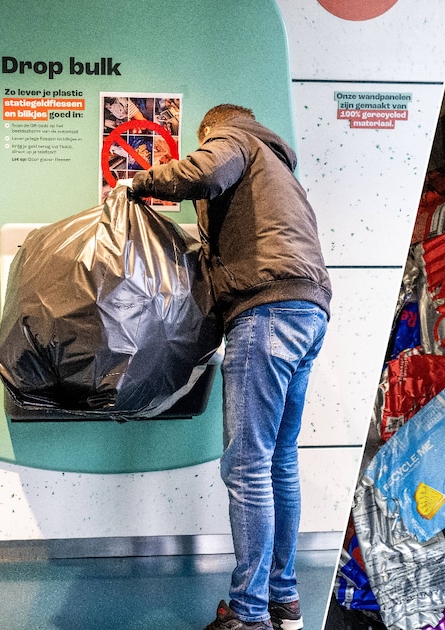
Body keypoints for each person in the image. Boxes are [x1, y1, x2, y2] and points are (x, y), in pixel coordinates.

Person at [130, 104, 331, 630]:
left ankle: (247, 615)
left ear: (211, 129)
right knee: (278, 462)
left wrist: (137, 185)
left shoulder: (234, 140)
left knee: (245, 467)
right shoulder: (280, 168)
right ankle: (283, 600)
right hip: (307, 311)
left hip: (265, 313)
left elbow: (199, 172)